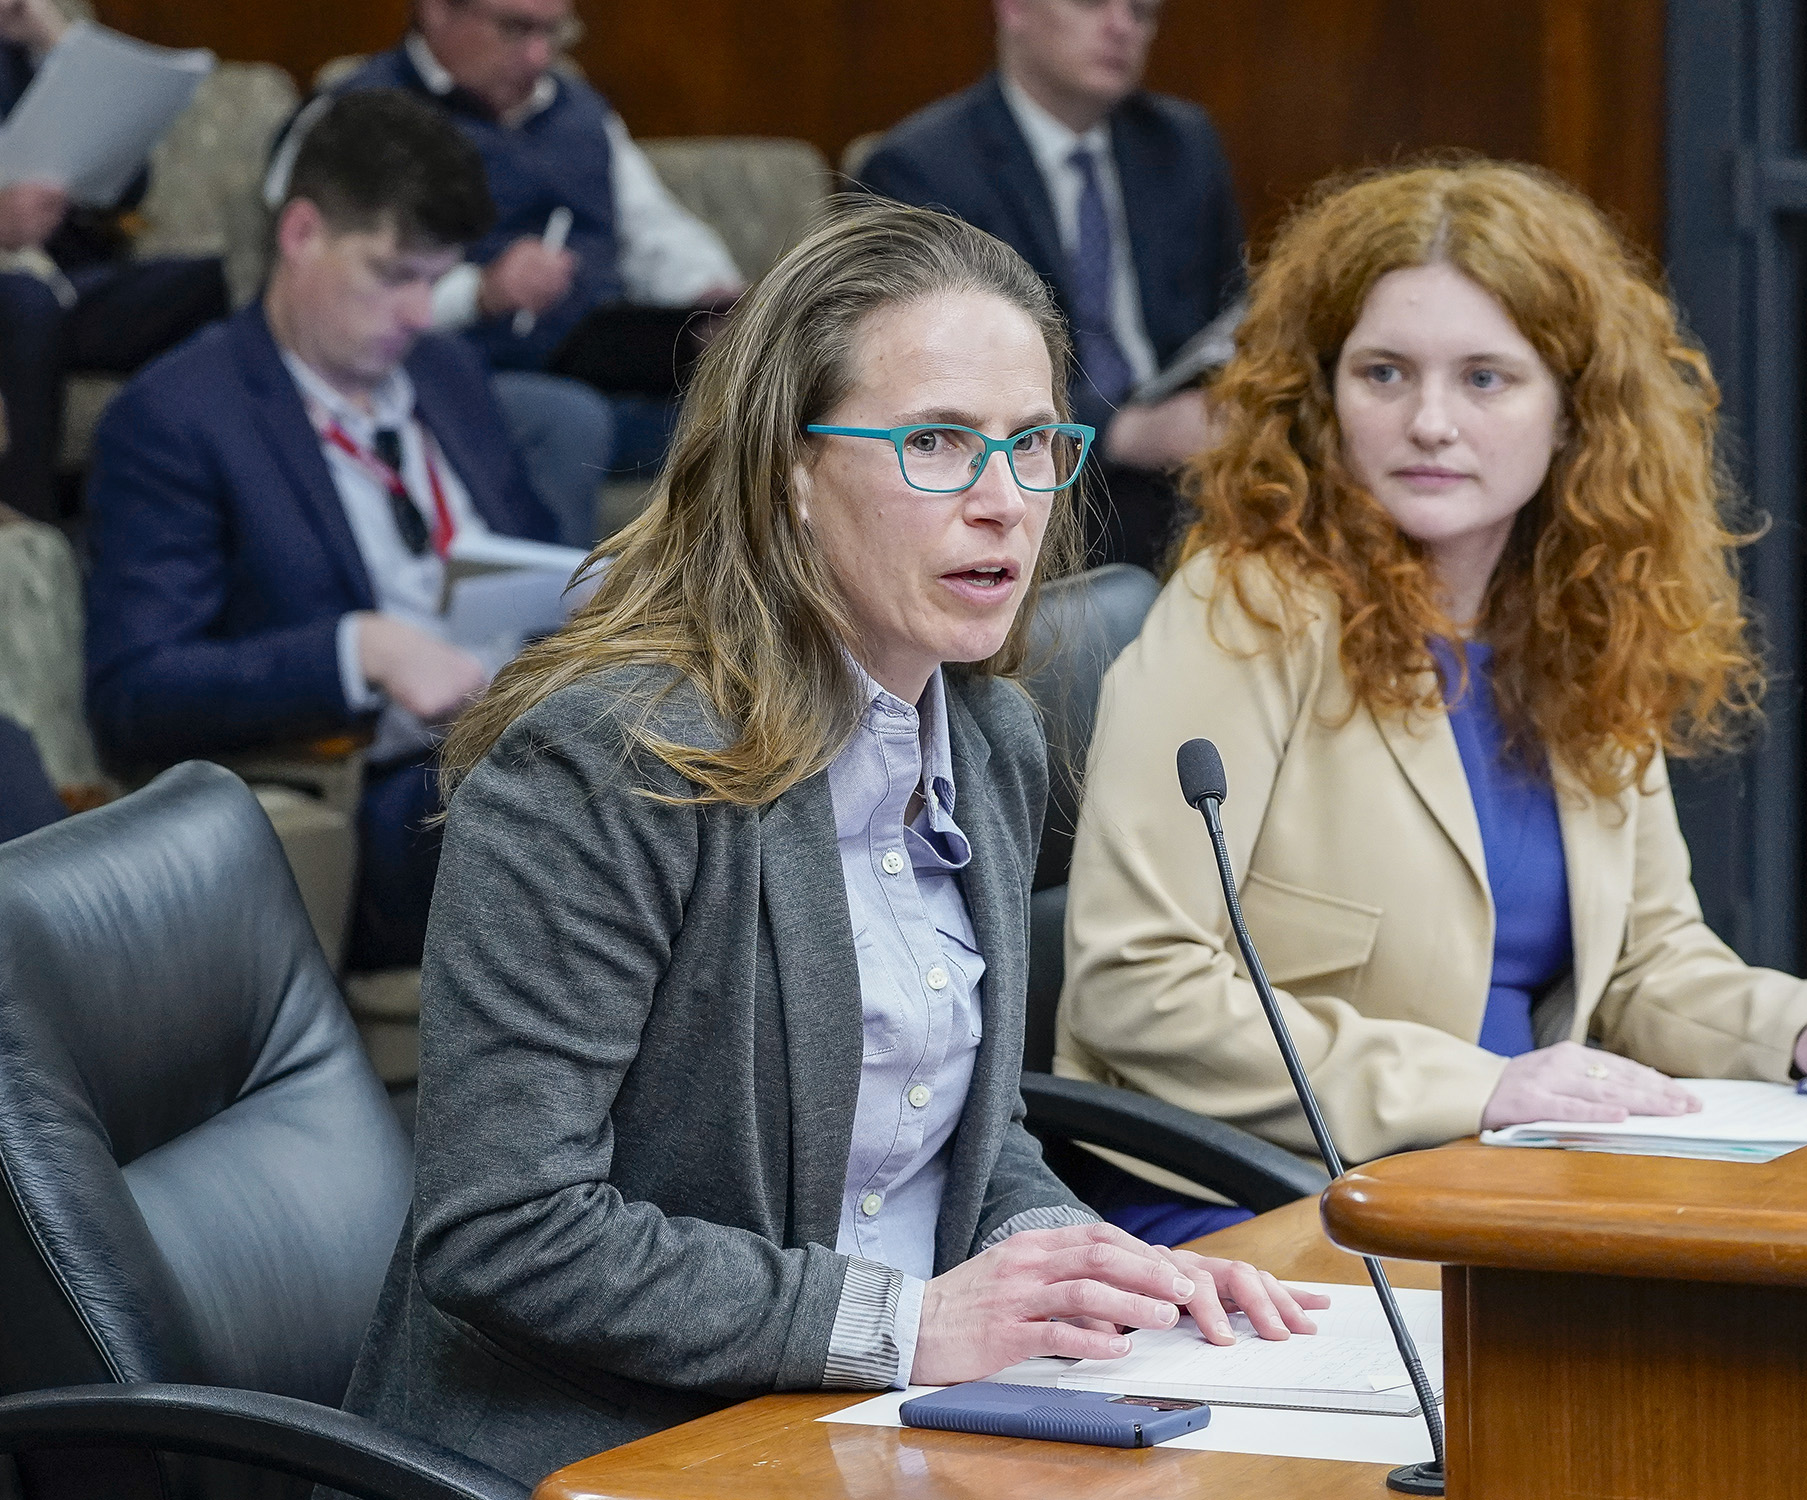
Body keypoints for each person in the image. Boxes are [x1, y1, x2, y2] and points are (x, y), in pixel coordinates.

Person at [333, 202, 1323, 1489]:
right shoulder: (607, 761)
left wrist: (1094, 1268)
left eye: (1033, 448)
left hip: (891, 1417)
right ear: (789, 472)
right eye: (935, 445)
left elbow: (964, 1134)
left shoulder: (992, 735)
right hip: (613, 1444)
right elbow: (510, 1230)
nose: (1002, 504)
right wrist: (905, 1325)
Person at [1056, 160, 1807, 1236]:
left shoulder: (1576, 618)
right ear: (1323, 392)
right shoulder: (1247, 606)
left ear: (1576, 412)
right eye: (1384, 374)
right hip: (1262, 1199)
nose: (1430, 421)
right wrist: (1479, 1089)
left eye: (1486, 378)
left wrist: (1804, 1030)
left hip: (1498, 1179)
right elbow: (1135, 982)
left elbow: (1644, 966)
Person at [85, 89, 560, 975]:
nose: (422, 313)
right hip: (384, 794)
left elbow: (537, 561)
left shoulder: (446, 376)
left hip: (527, 737)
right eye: (394, 274)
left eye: (438, 276)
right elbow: (134, 694)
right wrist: (357, 650)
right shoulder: (176, 418)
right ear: (301, 233)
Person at [857, 0, 1240, 570]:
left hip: (1187, 448)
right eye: (1091, 3)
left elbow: (1232, 307)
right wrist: (1120, 430)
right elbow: (917, 374)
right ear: (1013, 9)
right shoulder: (922, 165)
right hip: (1021, 454)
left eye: (1142, 11)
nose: (1120, 26)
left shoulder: (1181, 143)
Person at [304, 0, 747, 476]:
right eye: (515, 29)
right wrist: (480, 292)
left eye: (555, 32)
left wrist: (711, 294)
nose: (540, 57)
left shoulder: (582, 111)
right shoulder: (363, 115)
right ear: (435, 10)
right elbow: (329, 290)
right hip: (455, 378)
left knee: (760, 409)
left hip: (604, 363)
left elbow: (654, 228)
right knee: (568, 419)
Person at [0, 0, 229, 524]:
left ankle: (186, 522)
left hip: (65, 282)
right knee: (29, 307)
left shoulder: (16, 45)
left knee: (210, 287)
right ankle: (32, 542)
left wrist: (56, 43)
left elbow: (128, 187)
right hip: (17, 296)